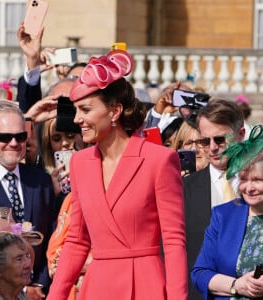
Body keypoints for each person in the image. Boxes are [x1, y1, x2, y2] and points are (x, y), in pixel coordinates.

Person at [47, 50, 187, 299]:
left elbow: (174, 242)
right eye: (76, 110)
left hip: (145, 286)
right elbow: (77, 241)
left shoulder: (159, 160)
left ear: (114, 112)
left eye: (85, 109)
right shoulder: (80, 163)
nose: (77, 119)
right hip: (97, 287)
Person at [0, 100, 56, 299]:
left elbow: (52, 237)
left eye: (20, 136)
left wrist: (38, 284)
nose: (14, 143)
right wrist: (20, 288)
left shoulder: (41, 181)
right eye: (4, 137)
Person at [191, 124, 263, 299]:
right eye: (244, 179)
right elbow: (200, 273)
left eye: (257, 180)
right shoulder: (224, 215)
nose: (249, 188)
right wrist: (236, 285)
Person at [183, 99, 245, 300]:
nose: (212, 148)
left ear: (241, 135)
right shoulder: (183, 190)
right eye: (204, 141)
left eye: (220, 140)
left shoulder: (257, 187)